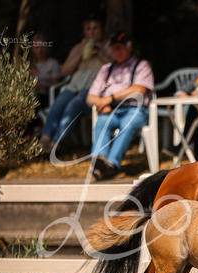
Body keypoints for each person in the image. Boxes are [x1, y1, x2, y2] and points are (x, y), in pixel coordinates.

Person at [86, 32, 154, 181]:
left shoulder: (141, 65)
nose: (118, 52)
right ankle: (100, 160)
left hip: (134, 109)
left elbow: (139, 89)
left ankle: (112, 164)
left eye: (120, 47)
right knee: (102, 122)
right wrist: (100, 103)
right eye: (114, 48)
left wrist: (109, 98)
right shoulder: (106, 69)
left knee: (127, 125)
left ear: (129, 47)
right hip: (111, 110)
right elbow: (90, 97)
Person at [38, 16, 111, 154]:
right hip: (75, 85)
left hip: (95, 86)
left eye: (95, 28)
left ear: (101, 30)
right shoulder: (78, 47)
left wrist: (100, 53)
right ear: (84, 32)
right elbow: (64, 71)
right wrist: (80, 54)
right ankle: (45, 139)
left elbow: (114, 68)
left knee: (73, 105)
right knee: (58, 103)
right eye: (88, 29)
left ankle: (55, 143)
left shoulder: (108, 46)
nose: (92, 32)